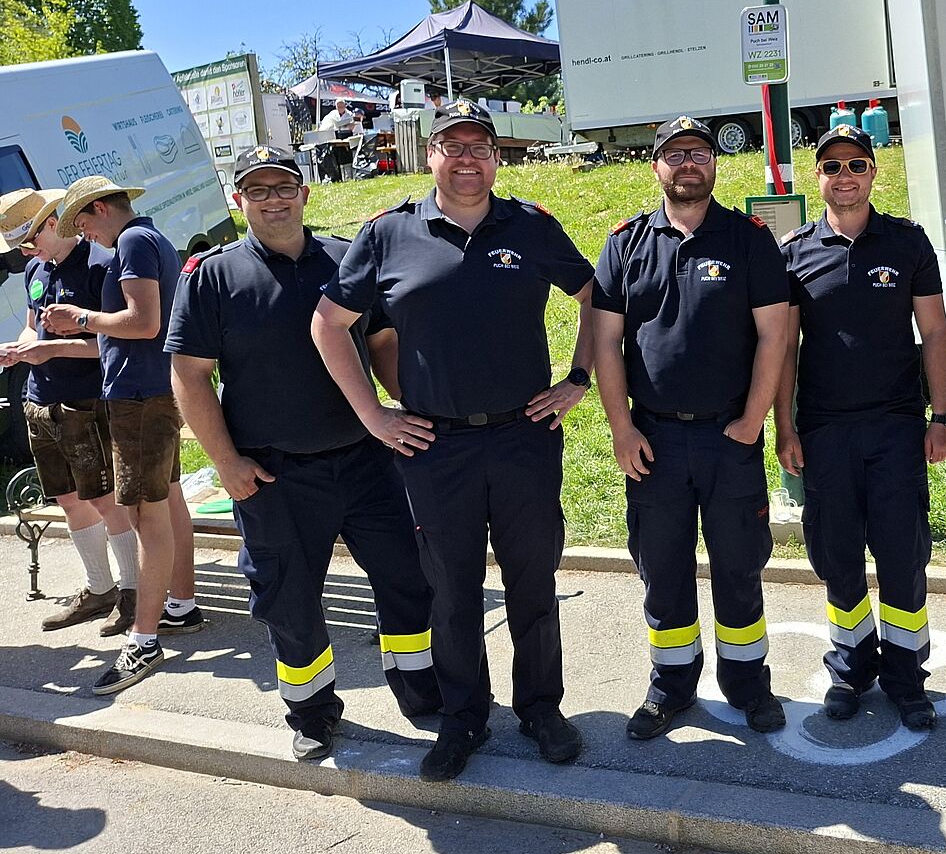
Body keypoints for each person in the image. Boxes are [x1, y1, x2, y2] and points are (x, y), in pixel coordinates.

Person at [312, 100, 595, 782]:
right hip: (435, 447)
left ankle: (541, 708)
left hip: (525, 436)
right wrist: (373, 415)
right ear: (430, 155)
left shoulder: (530, 226)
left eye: (479, 147)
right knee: (452, 591)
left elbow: (596, 297)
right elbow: (328, 325)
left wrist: (577, 379)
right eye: (453, 146)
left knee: (533, 581)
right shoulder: (386, 233)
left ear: (496, 158)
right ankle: (464, 716)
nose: (467, 158)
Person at [166, 146, 442, 762]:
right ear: (239, 200)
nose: (274, 200)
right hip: (273, 473)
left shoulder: (348, 258)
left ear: (305, 193)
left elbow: (383, 341)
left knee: (407, 577)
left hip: (368, 462)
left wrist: (410, 408)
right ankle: (312, 712)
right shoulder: (211, 276)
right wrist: (227, 464)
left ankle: (422, 691)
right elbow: (189, 376)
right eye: (258, 190)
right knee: (289, 600)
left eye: (284, 187)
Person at [593, 116, 789, 741]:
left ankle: (748, 684)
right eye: (675, 154)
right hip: (652, 440)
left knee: (739, 566)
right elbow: (605, 343)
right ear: (656, 166)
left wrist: (754, 419)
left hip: (728, 438)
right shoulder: (625, 243)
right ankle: (671, 686)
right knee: (663, 570)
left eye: (699, 153)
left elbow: (775, 334)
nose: (688, 164)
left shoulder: (749, 239)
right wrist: (622, 429)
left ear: (715, 164)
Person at [774, 127, 946, 730]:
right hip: (824, 431)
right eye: (832, 166)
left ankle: (906, 677)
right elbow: (784, 349)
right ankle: (850, 669)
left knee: (902, 555)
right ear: (818, 177)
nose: (844, 175)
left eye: (856, 164)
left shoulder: (907, 242)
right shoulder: (795, 252)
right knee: (838, 555)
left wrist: (943, 415)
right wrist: (785, 427)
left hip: (895, 428)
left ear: (874, 172)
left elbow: (935, 333)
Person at [44, 177, 202, 696]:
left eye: (82, 222)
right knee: (164, 503)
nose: (83, 233)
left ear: (101, 207)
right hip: (149, 391)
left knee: (144, 516)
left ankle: (145, 639)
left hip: (140, 396)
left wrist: (81, 318)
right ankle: (180, 606)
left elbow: (144, 322)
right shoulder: (147, 238)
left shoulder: (133, 240)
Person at [0, 189, 139, 636]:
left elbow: (113, 340)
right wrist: (20, 348)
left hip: (86, 401)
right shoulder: (36, 269)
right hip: (41, 399)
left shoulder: (101, 264)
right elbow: (32, 325)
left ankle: (132, 593)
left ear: (52, 223)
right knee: (68, 499)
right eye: (17, 246)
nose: (25, 253)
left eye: (28, 241)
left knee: (104, 499)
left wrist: (51, 349)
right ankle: (99, 589)